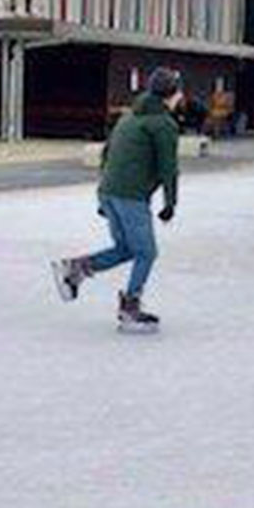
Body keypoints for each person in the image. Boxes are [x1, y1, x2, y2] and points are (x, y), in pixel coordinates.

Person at [51, 66, 183, 332]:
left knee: (126, 249)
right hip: (130, 196)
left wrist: (104, 196)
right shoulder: (163, 124)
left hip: (111, 191)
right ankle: (130, 308)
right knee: (146, 252)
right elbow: (169, 168)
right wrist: (170, 203)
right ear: (173, 94)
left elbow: (106, 154)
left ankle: (76, 269)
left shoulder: (130, 116)